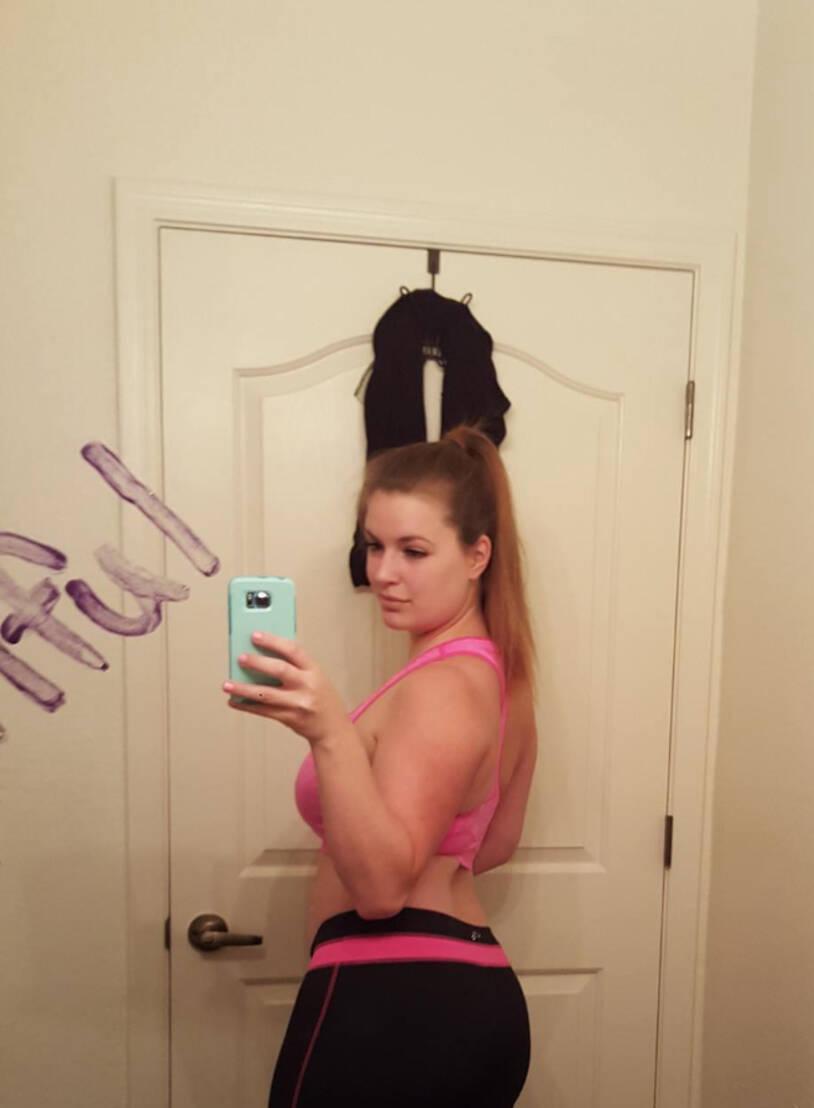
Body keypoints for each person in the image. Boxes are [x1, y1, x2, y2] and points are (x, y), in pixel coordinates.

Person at [222, 423, 536, 1107]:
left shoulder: (442, 686)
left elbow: (382, 893)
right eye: (373, 546)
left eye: (413, 551)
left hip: (395, 1001)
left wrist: (330, 732)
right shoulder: (499, 678)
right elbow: (493, 844)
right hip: (453, 991)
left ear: (478, 555)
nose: (383, 573)